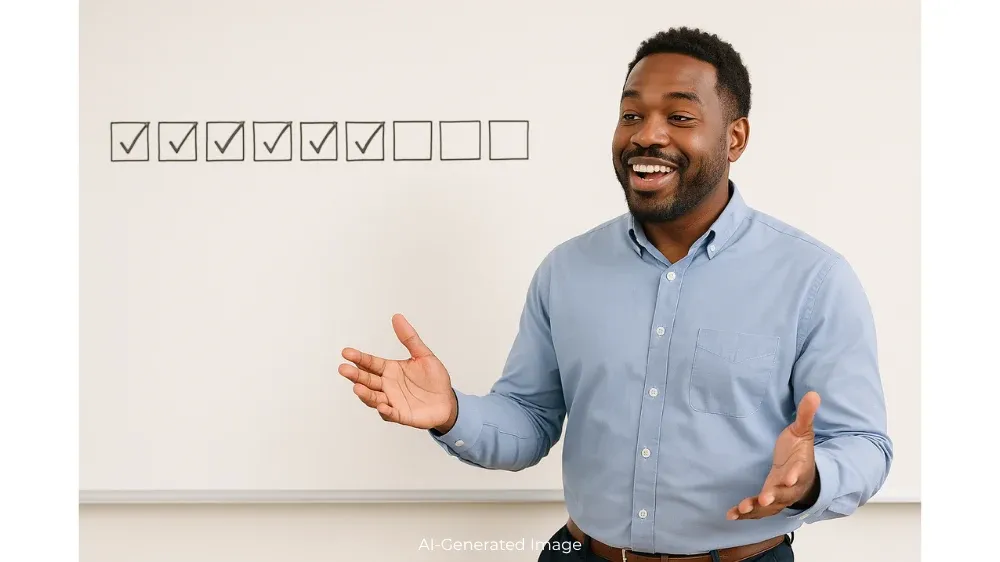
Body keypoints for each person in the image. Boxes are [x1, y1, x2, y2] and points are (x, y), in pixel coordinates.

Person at [338, 26, 892, 562]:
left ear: (735, 138)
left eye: (679, 117)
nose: (647, 135)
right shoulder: (566, 270)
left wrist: (813, 478)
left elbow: (863, 443)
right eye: (631, 115)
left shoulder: (813, 278)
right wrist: (453, 413)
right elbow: (529, 420)